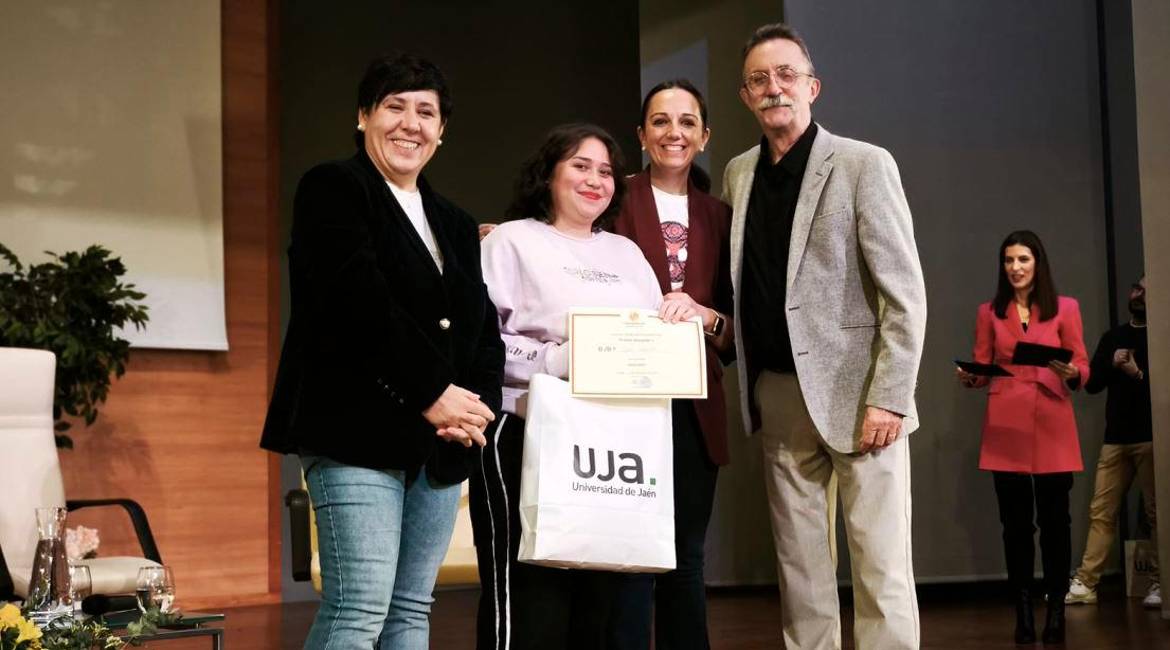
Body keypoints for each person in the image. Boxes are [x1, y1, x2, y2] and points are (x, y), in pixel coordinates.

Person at [260, 53, 503, 649]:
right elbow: (356, 303)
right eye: (395, 106)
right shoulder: (333, 189)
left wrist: (474, 410)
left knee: (410, 611)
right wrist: (433, 393)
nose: (410, 123)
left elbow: (480, 329)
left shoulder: (455, 221)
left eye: (426, 112)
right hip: (355, 433)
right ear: (363, 116)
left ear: (441, 131)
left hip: (440, 442)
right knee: (359, 607)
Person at [722, 22, 927, 650]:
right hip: (779, 395)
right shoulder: (738, 173)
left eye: (786, 74)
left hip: (862, 395)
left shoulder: (864, 164)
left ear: (813, 87)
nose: (774, 87)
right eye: (759, 79)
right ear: (745, 96)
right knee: (801, 572)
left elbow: (904, 293)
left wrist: (890, 395)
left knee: (880, 564)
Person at [471, 123, 698, 650]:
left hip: (616, 448)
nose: (595, 180)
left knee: (606, 607)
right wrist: (556, 359)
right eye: (580, 166)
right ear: (548, 174)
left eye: (606, 171)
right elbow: (482, 342)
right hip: (527, 435)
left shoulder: (627, 254)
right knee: (533, 604)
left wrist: (677, 325)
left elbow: (648, 339)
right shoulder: (510, 240)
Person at [605, 80, 734, 650]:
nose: (673, 133)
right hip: (622, 400)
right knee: (627, 558)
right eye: (660, 121)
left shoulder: (721, 216)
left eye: (686, 123)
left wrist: (707, 317)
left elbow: (735, 329)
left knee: (686, 557)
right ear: (641, 134)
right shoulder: (613, 197)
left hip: (694, 405)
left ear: (704, 136)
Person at [957, 230, 1089, 644]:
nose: (1015, 267)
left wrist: (1074, 372)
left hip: (1052, 421)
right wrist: (971, 376)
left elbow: (1081, 363)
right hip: (1006, 423)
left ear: (1037, 264)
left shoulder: (1066, 308)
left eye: (1023, 260)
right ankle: (1023, 610)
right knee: (1015, 526)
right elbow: (982, 364)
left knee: (1055, 523)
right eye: (1009, 260)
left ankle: (1056, 609)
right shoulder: (989, 312)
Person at [1066, 275, 1161, 608]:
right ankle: (1086, 583)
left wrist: (1136, 373)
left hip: (1151, 438)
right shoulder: (1113, 336)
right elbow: (1093, 385)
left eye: (1146, 291)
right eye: (1136, 288)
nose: (1138, 294)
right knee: (1101, 511)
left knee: (1156, 513)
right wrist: (1110, 363)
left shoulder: (1161, 336)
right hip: (1115, 438)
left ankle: (1161, 583)